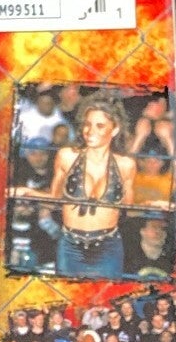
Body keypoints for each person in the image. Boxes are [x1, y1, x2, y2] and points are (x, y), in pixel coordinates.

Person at [13, 90, 139, 280]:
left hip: (108, 246)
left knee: (104, 296)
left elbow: (129, 209)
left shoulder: (126, 165)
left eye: (99, 126)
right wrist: (27, 191)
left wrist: (156, 204)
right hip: (70, 246)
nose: (90, 131)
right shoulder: (66, 156)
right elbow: (55, 200)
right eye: (87, 124)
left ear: (114, 130)